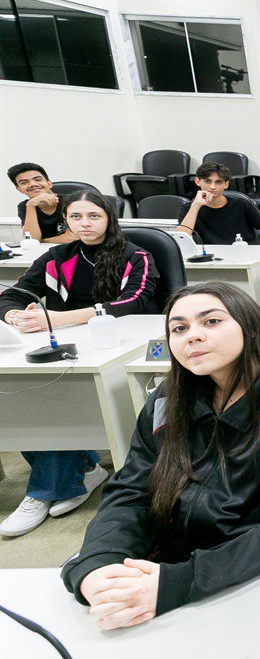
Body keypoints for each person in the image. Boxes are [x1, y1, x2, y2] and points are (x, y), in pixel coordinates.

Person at [60, 282, 260, 629]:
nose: (192, 336)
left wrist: (183, 582)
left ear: (250, 328)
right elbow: (132, 491)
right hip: (177, 565)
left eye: (211, 322)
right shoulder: (166, 399)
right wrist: (97, 566)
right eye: (179, 328)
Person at [0, 192, 160, 538]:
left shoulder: (136, 255)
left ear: (109, 218)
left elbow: (135, 301)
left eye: (92, 216)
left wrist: (58, 319)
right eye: (75, 217)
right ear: (65, 221)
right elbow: (12, 295)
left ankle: (43, 491)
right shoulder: (56, 257)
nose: (84, 224)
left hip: (122, 343)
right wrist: (12, 314)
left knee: (58, 397)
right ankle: (82, 470)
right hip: (63, 343)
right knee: (33, 396)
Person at [177, 161, 260, 246]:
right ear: (197, 181)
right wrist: (196, 205)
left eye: (218, 182)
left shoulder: (241, 204)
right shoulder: (189, 208)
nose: (212, 187)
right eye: (207, 181)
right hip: (214, 259)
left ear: (226, 184)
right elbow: (182, 237)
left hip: (248, 254)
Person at [8, 162, 72, 244]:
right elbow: (31, 240)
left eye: (38, 179)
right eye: (24, 182)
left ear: (49, 183)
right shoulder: (25, 206)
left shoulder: (71, 201)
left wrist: (42, 240)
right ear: (19, 189)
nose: (33, 184)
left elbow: (72, 238)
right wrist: (31, 205)